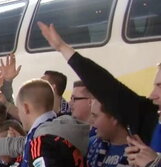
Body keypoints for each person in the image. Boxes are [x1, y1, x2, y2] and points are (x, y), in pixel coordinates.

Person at [37, 22, 159, 150]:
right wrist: (62, 47)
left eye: (160, 86)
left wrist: (152, 163)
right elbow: (107, 86)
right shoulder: (149, 117)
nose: (152, 95)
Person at [86, 98, 139, 167]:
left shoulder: (138, 154)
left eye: (95, 116)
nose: (91, 120)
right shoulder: (93, 146)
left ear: (115, 118)